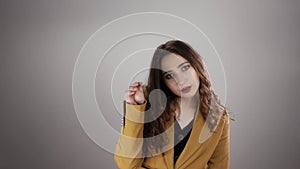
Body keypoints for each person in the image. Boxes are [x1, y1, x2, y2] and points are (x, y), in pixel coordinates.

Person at [114, 40, 230, 169]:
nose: (180, 80)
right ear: (164, 82)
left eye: (185, 68)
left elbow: (220, 166)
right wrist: (135, 108)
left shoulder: (218, 117)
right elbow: (126, 165)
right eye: (169, 75)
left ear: (197, 66)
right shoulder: (149, 103)